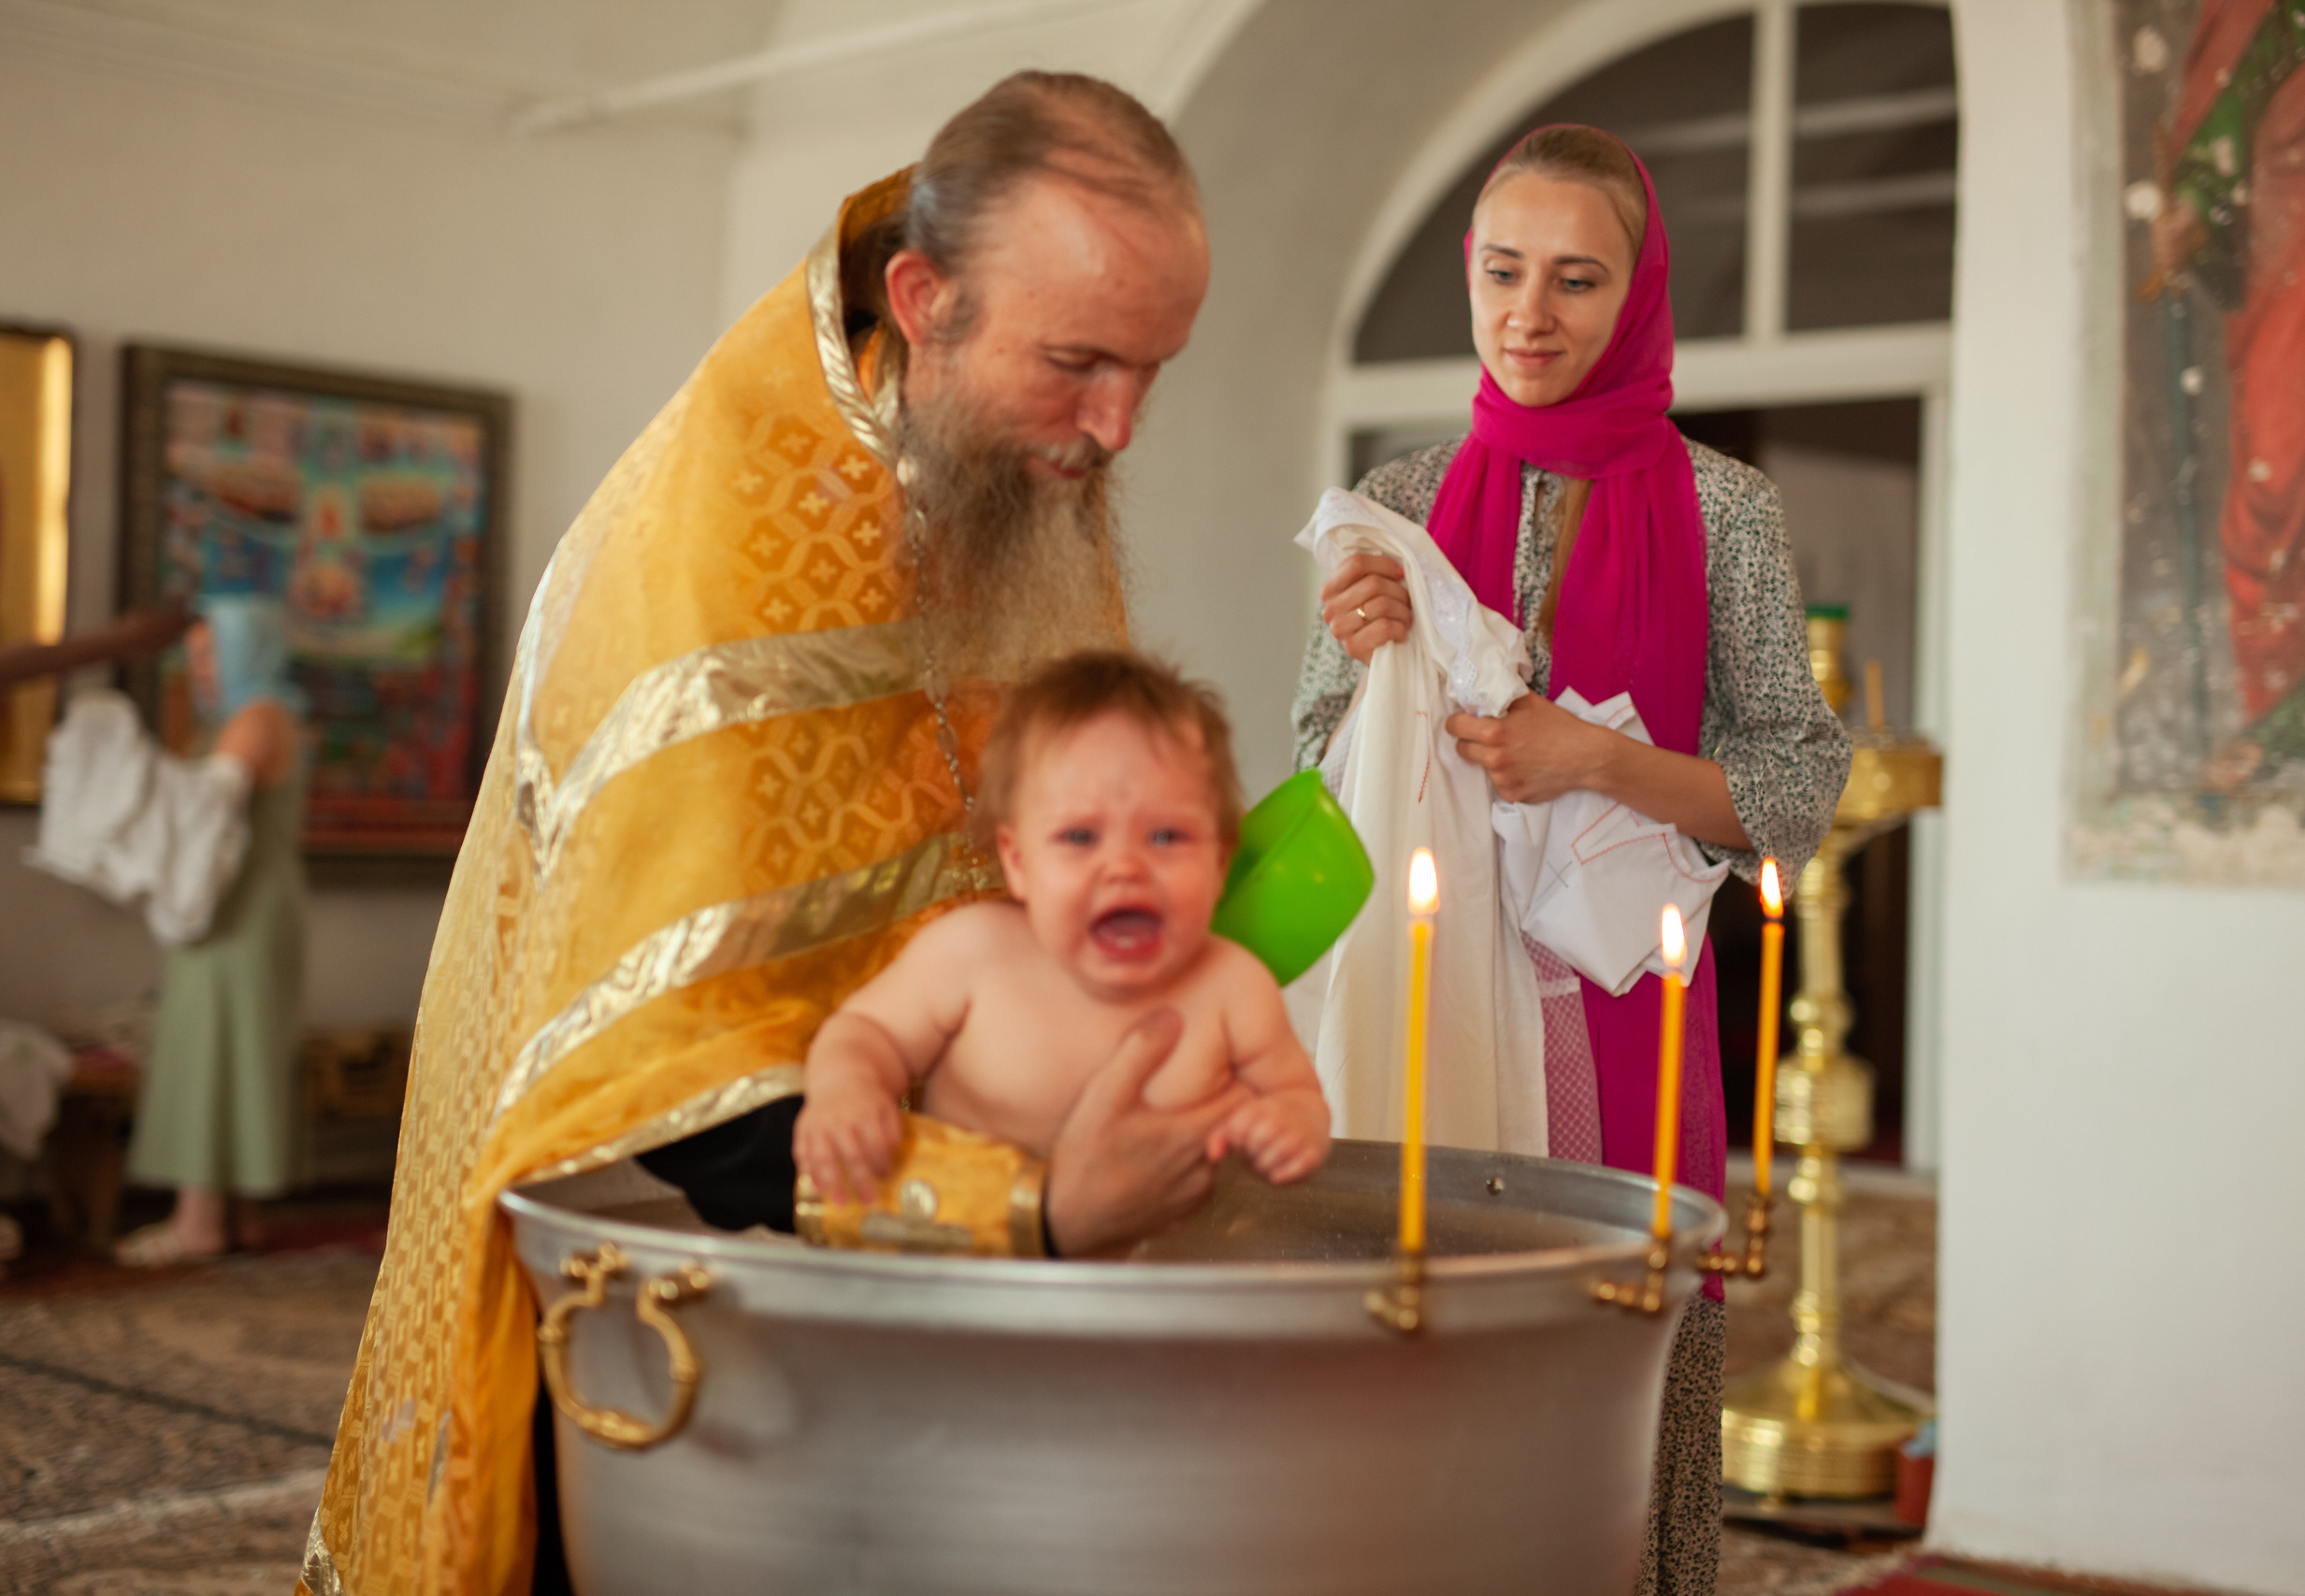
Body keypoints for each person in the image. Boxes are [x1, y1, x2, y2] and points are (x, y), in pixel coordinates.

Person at [306, 73, 1224, 1595]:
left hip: (916, 1301)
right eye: (1077, 362)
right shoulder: (712, 563)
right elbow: (679, 1090)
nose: (1116, 426)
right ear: (924, 301)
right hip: (669, 1291)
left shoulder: (996, 479)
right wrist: (1035, 1205)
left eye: (1150, 369)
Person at [1288, 126, 1848, 1595]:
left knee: (1612, 1370)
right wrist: (1358, 667)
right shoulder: (1399, 499)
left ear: (1639, 294)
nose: (1530, 313)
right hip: (1432, 997)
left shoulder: (1725, 508)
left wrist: (1593, 758)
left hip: (1623, 1008)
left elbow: (1799, 782)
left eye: (1577, 279)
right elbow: (1310, 765)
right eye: (1502, 271)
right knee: (1415, 1358)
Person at [799, 651, 1331, 1208]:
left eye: (1167, 837)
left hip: (1167, 1279)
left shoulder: (1233, 985)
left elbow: (1298, 1095)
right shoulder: (972, 954)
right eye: (1080, 838)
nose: (1125, 867)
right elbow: (865, 1033)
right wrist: (846, 1090)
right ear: (1019, 861)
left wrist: (1290, 1125)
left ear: (1221, 861)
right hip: (983, 1267)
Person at [2144, 0, 2305, 791]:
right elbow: (2241, 61)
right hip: (2296, 202)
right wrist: (2196, 201)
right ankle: (2284, 705)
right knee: (2279, 467)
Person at [115, 596, 308, 1264]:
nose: (199, 669)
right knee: (242, 1048)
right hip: (254, 904)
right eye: (192, 655)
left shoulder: (254, 720)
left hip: (236, 909)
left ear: (243, 649)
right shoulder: (259, 714)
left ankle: (196, 1221)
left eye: (208, 653)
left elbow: (206, 822)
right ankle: (238, 1217)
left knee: (212, 1050)